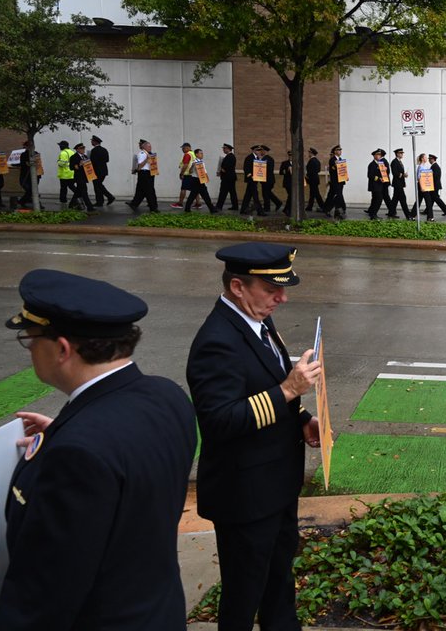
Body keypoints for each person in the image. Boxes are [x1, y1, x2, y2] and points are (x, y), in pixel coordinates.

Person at [0, 269, 197, 629]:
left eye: (30, 338)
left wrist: (70, 441)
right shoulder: (167, 396)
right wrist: (64, 433)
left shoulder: (78, 454)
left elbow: (45, 594)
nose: (30, 349)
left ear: (61, 349)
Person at [187, 243, 322, 631]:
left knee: (278, 582)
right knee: (244, 597)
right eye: (271, 289)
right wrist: (288, 390)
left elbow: (266, 383)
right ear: (237, 287)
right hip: (244, 495)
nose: (282, 297)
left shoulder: (256, 321)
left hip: (275, 485)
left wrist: (303, 419)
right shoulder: (217, 341)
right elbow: (219, 420)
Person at [127, 139, 159, 213]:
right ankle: (153, 208)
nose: (150, 148)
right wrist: (147, 159)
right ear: (144, 147)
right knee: (149, 191)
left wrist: (155, 170)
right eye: (148, 147)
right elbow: (140, 165)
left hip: (149, 173)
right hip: (144, 173)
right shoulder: (142, 154)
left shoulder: (150, 153)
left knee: (141, 190)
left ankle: (134, 203)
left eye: (150, 146)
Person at [183, 149, 219, 213]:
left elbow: (204, 171)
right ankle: (211, 209)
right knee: (204, 195)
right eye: (200, 153)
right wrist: (193, 166)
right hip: (196, 180)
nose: (202, 155)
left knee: (194, 195)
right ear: (196, 154)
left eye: (202, 153)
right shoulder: (194, 162)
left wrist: (206, 178)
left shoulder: (201, 161)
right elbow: (190, 172)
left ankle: (187, 208)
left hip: (200, 180)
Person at [67, 142, 96, 213]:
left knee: (77, 192)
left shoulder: (85, 157)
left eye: (83, 148)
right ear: (77, 149)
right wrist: (79, 165)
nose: (83, 150)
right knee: (84, 191)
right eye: (81, 148)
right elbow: (71, 167)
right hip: (79, 177)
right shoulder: (73, 157)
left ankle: (71, 205)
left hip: (85, 177)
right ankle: (90, 207)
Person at [240, 144, 268, 216]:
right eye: (257, 150)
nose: (259, 151)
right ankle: (260, 211)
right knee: (255, 196)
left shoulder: (257, 158)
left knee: (248, 196)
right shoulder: (249, 157)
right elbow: (246, 168)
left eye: (259, 150)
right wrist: (250, 176)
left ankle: (243, 210)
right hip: (251, 179)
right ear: (253, 150)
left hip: (255, 179)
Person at [88, 135, 114, 206]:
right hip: (104, 171)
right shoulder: (104, 149)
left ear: (95, 142)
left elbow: (92, 162)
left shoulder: (94, 150)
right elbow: (107, 160)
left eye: (92, 141)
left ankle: (109, 197)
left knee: (97, 186)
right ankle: (100, 201)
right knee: (98, 185)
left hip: (96, 171)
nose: (91, 142)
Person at [323, 145, 348, 219]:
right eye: (338, 150)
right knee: (339, 195)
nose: (340, 151)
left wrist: (345, 176)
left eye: (340, 150)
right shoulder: (332, 159)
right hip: (335, 182)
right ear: (335, 151)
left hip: (340, 181)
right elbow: (333, 170)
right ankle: (340, 209)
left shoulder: (340, 159)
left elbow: (342, 170)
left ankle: (326, 209)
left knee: (331, 196)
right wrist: (335, 164)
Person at [388, 148, 414, 219]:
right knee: (403, 199)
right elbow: (395, 173)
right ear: (397, 154)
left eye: (402, 153)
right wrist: (403, 175)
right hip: (397, 184)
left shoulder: (399, 162)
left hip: (400, 183)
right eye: (400, 153)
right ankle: (408, 215)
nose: (402, 154)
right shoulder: (394, 162)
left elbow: (400, 173)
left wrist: (403, 178)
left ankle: (391, 212)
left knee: (395, 199)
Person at [215, 143, 239, 212]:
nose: (223, 150)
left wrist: (221, 171)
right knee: (232, 192)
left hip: (227, 178)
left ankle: (219, 206)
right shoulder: (229, 156)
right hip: (230, 178)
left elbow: (226, 167)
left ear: (228, 149)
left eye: (224, 148)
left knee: (223, 192)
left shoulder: (230, 156)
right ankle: (235, 206)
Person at [260, 146, 283, 214]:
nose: (261, 152)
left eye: (262, 150)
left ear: (265, 151)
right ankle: (278, 202)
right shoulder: (266, 159)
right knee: (268, 193)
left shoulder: (267, 159)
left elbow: (267, 170)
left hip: (267, 179)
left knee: (265, 194)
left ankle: (267, 208)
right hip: (267, 179)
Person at [303, 148, 325, 214]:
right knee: (312, 194)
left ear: (311, 153)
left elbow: (310, 171)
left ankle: (323, 206)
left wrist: (307, 176)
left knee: (316, 194)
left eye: (309, 153)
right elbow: (318, 170)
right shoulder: (317, 161)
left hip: (312, 179)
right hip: (315, 179)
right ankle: (309, 207)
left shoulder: (312, 161)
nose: (308, 154)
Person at [174, 142, 195, 209]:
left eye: (183, 148)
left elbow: (185, 165)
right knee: (195, 189)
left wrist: (181, 173)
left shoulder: (187, 154)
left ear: (188, 147)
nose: (182, 149)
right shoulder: (193, 154)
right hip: (193, 175)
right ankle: (198, 203)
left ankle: (180, 203)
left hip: (187, 174)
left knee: (183, 188)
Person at [56, 140, 75, 204]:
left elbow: (62, 163)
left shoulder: (63, 153)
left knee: (63, 188)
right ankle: (79, 195)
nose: (59, 147)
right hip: (71, 173)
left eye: (60, 146)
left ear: (62, 146)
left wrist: (58, 161)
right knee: (71, 186)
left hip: (65, 174)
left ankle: (63, 200)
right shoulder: (72, 152)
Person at [278, 150, 293, 216]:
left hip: (294, 183)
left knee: (291, 196)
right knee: (291, 195)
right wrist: (287, 170)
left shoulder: (297, 163)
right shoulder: (284, 163)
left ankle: (286, 209)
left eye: (292, 155)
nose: (290, 157)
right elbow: (280, 172)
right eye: (289, 155)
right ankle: (287, 210)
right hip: (287, 182)